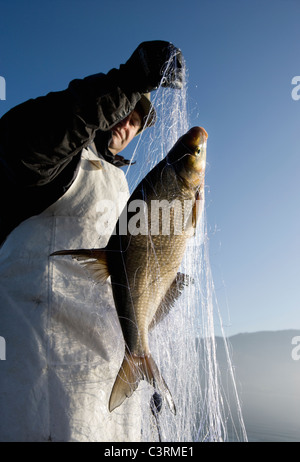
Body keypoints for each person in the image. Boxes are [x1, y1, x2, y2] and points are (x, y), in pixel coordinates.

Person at [0, 40, 183, 442]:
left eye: (138, 119)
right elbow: (25, 137)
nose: (128, 121)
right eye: (127, 108)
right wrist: (127, 82)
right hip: (37, 379)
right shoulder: (52, 159)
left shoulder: (121, 186)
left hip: (106, 390)